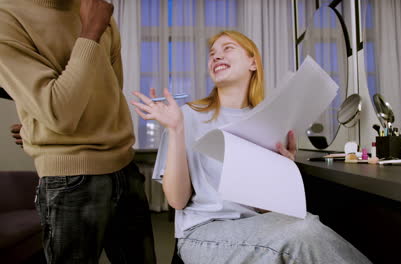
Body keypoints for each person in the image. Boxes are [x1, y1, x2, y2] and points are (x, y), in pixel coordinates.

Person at [131, 30, 371, 263]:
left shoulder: (268, 122)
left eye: (228, 48)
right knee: (304, 233)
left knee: (309, 225)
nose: (216, 56)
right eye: (212, 53)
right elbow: (177, 201)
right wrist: (175, 130)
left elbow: (264, 210)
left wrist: (282, 169)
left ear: (253, 63)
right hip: (203, 233)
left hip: (257, 227)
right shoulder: (185, 117)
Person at [0, 0, 156, 263]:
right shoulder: (7, 18)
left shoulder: (95, 7)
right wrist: (91, 31)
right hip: (70, 179)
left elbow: (108, 95)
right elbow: (60, 113)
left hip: (126, 169)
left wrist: (39, 126)